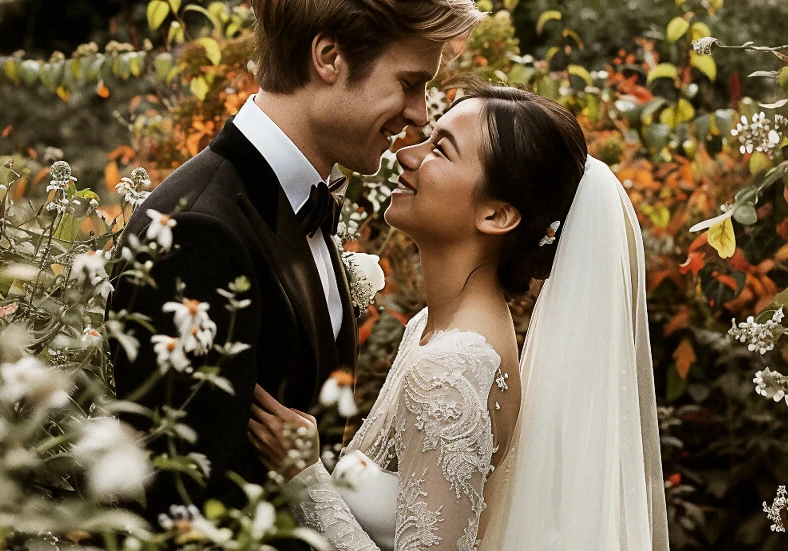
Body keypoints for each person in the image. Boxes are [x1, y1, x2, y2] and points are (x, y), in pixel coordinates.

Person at [248, 77, 670, 550]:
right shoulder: (432, 330)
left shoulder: (451, 367)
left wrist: (303, 477)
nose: (407, 154)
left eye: (440, 150)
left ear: (497, 215)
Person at [108, 0, 483, 516]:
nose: (420, 113)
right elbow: (187, 501)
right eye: (409, 82)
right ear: (329, 57)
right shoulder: (201, 231)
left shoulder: (297, 201)